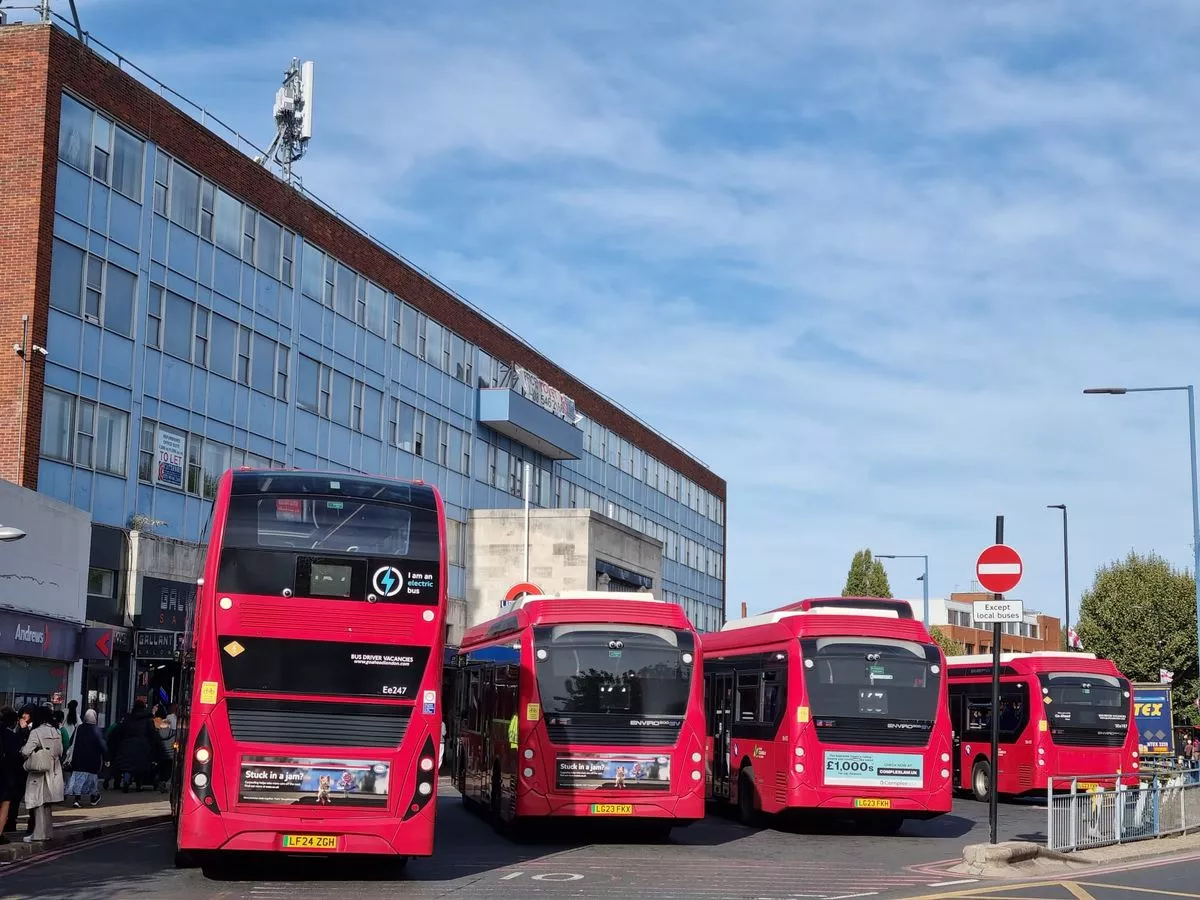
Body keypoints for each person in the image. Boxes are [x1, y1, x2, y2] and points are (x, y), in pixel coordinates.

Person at [20, 706, 64, 843]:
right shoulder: (56, 731)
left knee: (38, 802)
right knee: (47, 805)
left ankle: (38, 834)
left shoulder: (36, 732)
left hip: (39, 771)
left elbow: (26, 751)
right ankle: (48, 832)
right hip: (54, 770)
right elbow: (61, 751)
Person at [111, 701, 166, 792]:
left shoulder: (128, 718)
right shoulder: (148, 719)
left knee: (127, 766)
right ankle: (138, 784)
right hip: (142, 746)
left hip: (127, 745)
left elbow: (120, 731)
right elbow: (152, 733)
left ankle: (126, 781)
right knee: (140, 766)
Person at [2, 706, 34, 836]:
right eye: (22, 715)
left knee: (13, 798)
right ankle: (9, 824)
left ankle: (10, 823)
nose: (23, 717)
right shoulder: (13, 732)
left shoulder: (27, 729)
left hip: (19, 770)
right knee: (10, 799)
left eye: (26, 714)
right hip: (13, 770)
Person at [65, 710, 106, 808]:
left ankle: (77, 800)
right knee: (92, 780)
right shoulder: (97, 729)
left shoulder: (79, 728)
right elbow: (102, 745)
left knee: (78, 779)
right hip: (92, 760)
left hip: (78, 759)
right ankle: (94, 796)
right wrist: (107, 757)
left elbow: (71, 742)